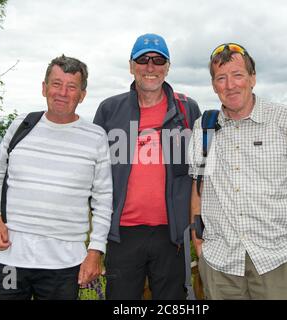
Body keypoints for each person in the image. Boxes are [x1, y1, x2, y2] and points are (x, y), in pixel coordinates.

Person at [189, 43, 287, 300]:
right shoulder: (204, 127)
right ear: (214, 86)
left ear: (252, 79)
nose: (230, 85)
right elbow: (199, 187)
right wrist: (198, 242)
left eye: (238, 75)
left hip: (277, 261)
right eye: (221, 78)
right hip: (220, 263)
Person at [0, 55, 113, 300]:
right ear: (44, 88)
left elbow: (103, 199)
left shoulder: (96, 137)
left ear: (82, 95)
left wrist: (95, 250)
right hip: (10, 257)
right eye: (56, 84)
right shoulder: (21, 126)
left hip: (64, 263)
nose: (62, 92)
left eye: (71, 87)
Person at [93, 33, 201, 300]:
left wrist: (196, 226)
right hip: (122, 233)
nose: (150, 67)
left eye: (158, 60)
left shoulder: (187, 110)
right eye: (143, 60)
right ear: (131, 65)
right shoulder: (110, 110)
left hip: (172, 236)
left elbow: (201, 173)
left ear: (168, 66)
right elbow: (93, 173)